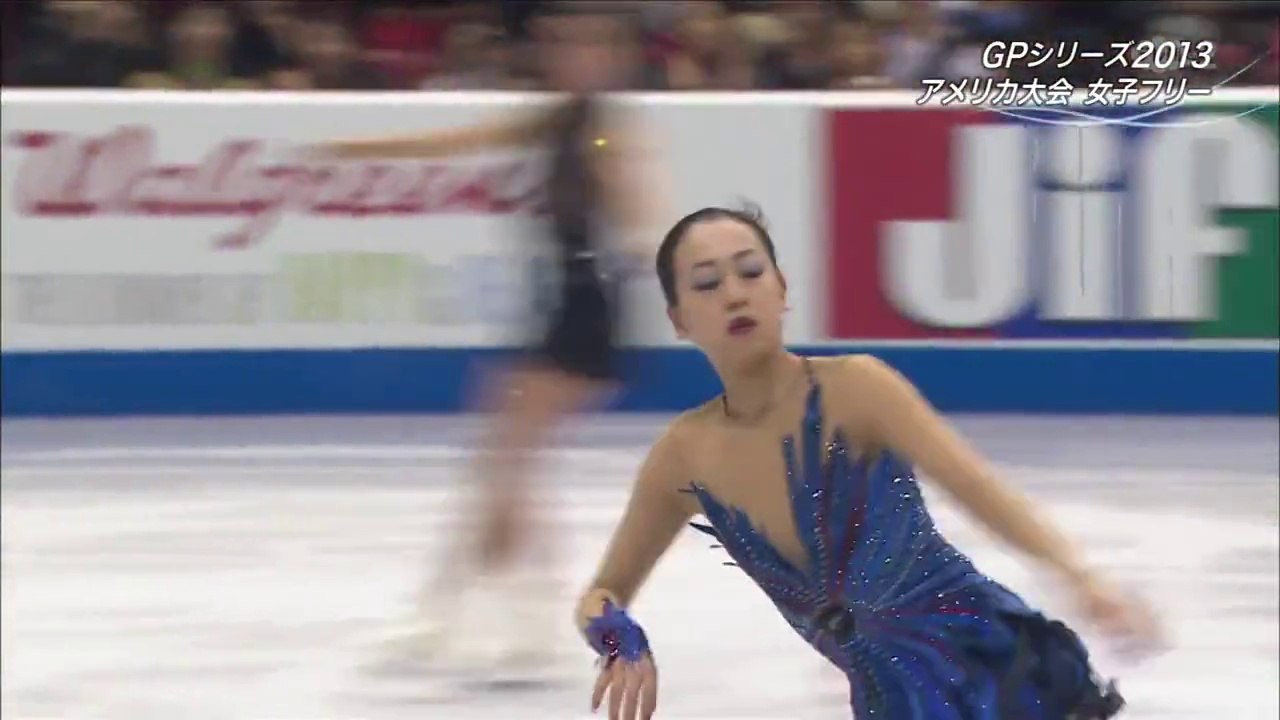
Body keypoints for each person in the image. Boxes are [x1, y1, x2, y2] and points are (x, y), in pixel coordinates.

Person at [575, 205, 1163, 719]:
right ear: (678, 320)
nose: (734, 292)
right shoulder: (683, 455)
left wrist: (1080, 576)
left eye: (751, 272)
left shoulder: (854, 389)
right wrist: (615, 635)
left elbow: (974, 483)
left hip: (995, 668)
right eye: (706, 283)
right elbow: (603, 591)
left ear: (782, 289)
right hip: (892, 702)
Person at [314, 5, 658, 677]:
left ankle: (473, 616)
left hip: (586, 308)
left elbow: (635, 194)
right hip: (559, 302)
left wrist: (650, 239)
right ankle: (470, 613)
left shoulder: (604, 131)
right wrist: (354, 152)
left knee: (505, 464)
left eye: (588, 46)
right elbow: (459, 139)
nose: (572, 56)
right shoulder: (555, 117)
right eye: (562, 45)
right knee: (505, 467)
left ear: (615, 57)